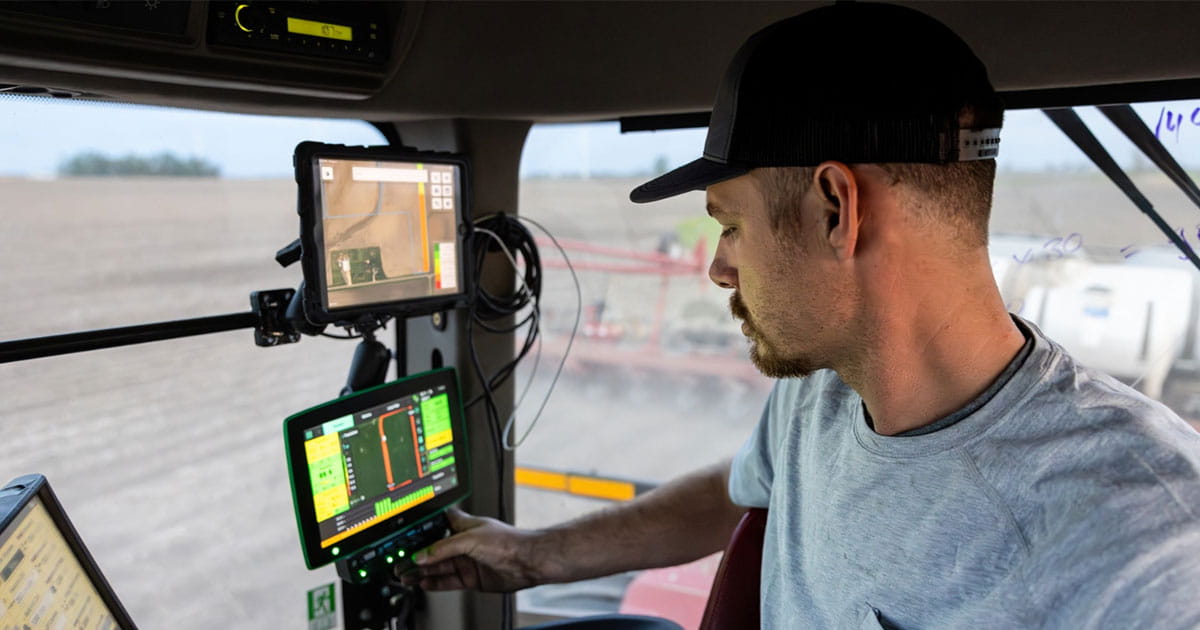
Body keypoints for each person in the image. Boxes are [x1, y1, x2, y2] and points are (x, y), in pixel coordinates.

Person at [401, 3, 1200, 628]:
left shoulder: (1137, 543)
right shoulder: (829, 389)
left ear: (834, 209)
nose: (717, 266)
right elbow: (741, 491)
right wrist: (529, 558)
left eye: (730, 224)